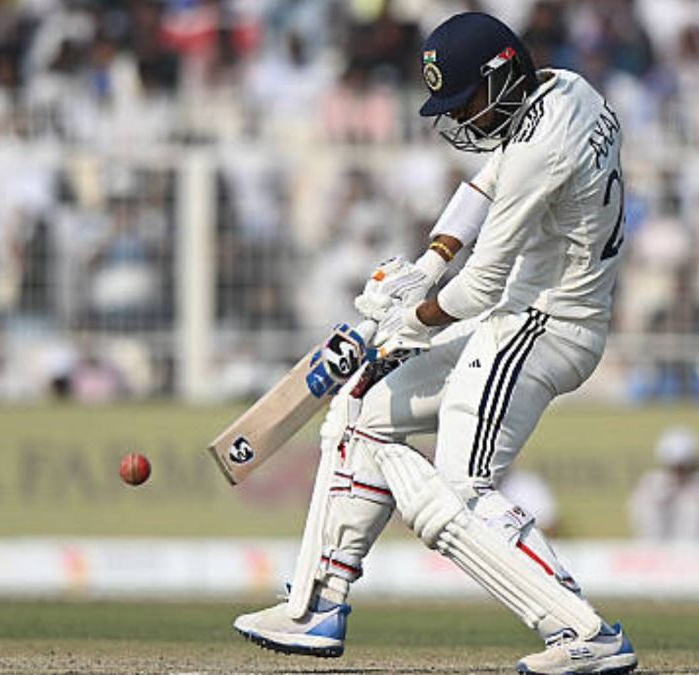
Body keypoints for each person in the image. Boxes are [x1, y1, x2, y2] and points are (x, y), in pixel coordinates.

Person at [232, 12, 637, 675]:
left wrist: (408, 320)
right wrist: (427, 263)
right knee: (363, 409)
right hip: (523, 318)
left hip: (541, 326)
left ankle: (581, 630)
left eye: (468, 101)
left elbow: (481, 286)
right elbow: (481, 187)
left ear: (503, 76)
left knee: (462, 489)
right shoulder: (565, 88)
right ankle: (317, 606)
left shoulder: (543, 148)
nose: (465, 120)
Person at [627, 426, 699, 540]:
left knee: (693, 506)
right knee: (645, 502)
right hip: (655, 548)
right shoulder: (651, 483)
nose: (679, 473)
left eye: (684, 468)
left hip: (694, 551)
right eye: (674, 468)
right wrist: (666, 493)